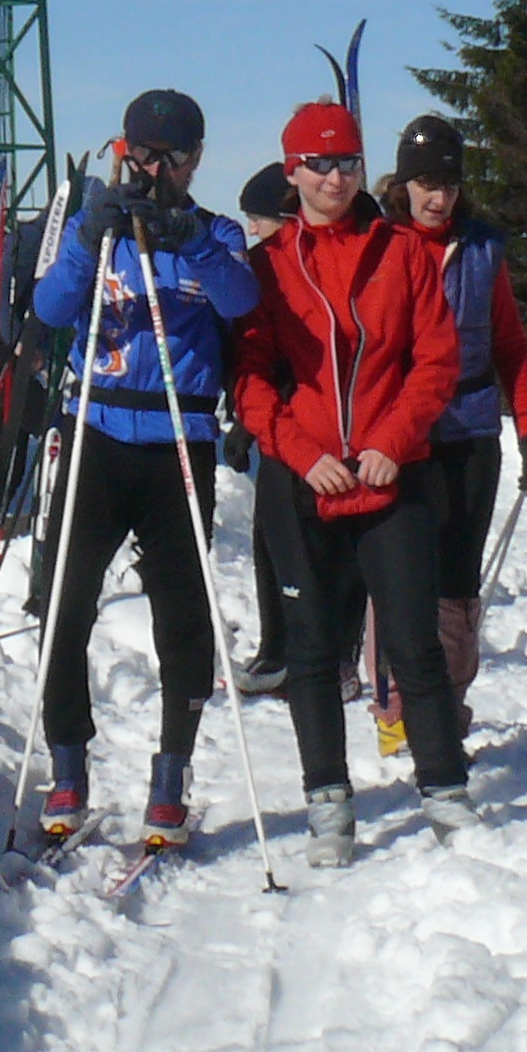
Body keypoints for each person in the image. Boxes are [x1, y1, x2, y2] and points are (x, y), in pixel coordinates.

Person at [232, 99, 467, 869]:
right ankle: (327, 802)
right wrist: (302, 454)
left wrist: (392, 442)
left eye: (347, 164)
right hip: (304, 481)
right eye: (319, 165)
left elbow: (435, 361)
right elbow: (251, 381)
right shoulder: (268, 266)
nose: (334, 180)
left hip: (390, 475)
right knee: (309, 648)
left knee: (412, 642)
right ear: (292, 170)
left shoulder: (401, 252)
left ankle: (445, 790)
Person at [27, 90, 259, 849]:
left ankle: (171, 773)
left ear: (195, 160)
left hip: (177, 439)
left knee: (182, 616)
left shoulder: (216, 232)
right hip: (97, 432)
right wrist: (86, 240)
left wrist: (191, 242)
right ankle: (67, 762)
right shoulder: (96, 229)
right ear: (122, 152)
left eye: (172, 157)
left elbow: (240, 299)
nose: (155, 170)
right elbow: (51, 309)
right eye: (142, 155)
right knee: (63, 602)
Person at [381, 115, 527, 752]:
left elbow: (510, 344)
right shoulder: (381, 243)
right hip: (400, 433)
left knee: (456, 582)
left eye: (449, 184)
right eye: (427, 183)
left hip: (470, 431)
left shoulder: (481, 250)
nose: (439, 197)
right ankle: (397, 704)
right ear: (404, 184)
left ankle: (446, 709)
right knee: (400, 578)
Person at [228, 161, 301, 698]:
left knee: (292, 543)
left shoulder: (293, 267)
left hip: (303, 425)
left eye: (260, 218)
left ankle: (303, 652)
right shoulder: (261, 266)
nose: (252, 229)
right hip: (271, 422)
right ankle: (277, 646)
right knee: (268, 538)